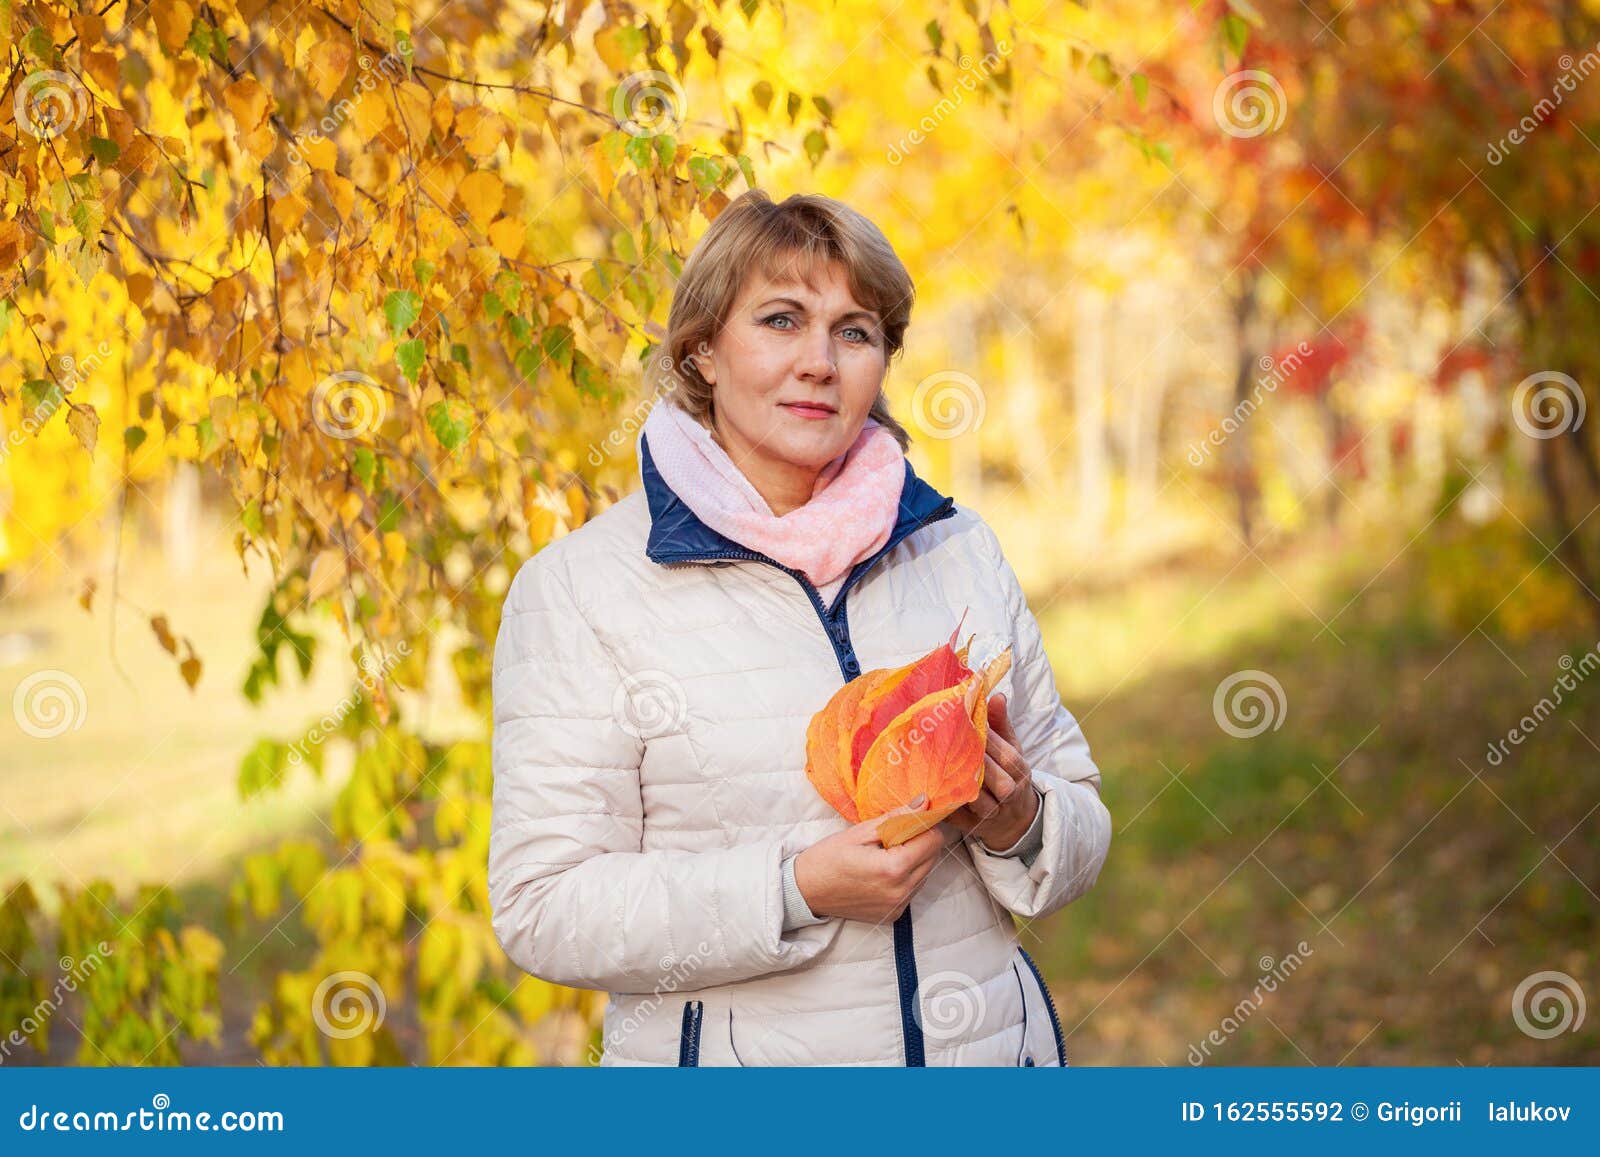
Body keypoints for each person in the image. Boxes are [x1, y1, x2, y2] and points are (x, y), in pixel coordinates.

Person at [489, 189, 1111, 1066]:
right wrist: (793, 889)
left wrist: (1021, 821)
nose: (820, 361)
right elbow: (543, 905)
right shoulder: (581, 590)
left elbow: (1082, 815)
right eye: (781, 320)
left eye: (855, 332)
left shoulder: (956, 548)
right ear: (703, 349)